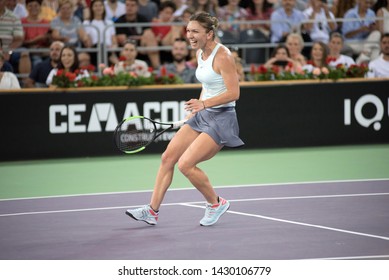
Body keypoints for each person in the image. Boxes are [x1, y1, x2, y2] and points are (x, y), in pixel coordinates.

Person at [125, 12, 244, 227]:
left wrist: (204, 104)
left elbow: (234, 93)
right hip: (203, 113)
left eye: (195, 31)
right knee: (168, 157)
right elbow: (208, 86)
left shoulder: (223, 56)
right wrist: (197, 108)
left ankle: (215, 204)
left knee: (186, 164)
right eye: (188, 30)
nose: (189, 35)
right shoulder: (200, 53)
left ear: (209, 34)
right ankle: (152, 211)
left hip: (222, 118)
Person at [115, 0, 160, 68]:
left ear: (137, 7)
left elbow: (148, 34)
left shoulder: (143, 19)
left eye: (132, 5)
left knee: (151, 40)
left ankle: (157, 69)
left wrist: (134, 38)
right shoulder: (119, 21)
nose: (129, 7)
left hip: (143, 47)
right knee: (128, 49)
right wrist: (140, 38)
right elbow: (122, 40)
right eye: (127, 5)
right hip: (127, 47)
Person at [342, 0, 381, 64]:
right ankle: (370, 65)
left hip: (366, 42)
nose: (368, 5)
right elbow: (346, 35)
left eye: (370, 3)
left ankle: (362, 60)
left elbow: (375, 30)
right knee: (375, 48)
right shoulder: (350, 14)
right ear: (359, 1)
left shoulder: (371, 13)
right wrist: (360, 30)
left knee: (377, 34)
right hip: (352, 43)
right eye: (366, 2)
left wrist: (372, 28)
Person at [83, 0, 117, 67]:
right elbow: (88, 42)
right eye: (96, 6)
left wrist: (113, 47)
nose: (98, 8)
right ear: (92, 8)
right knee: (100, 47)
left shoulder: (109, 23)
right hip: (94, 50)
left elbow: (114, 40)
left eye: (100, 5)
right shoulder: (87, 23)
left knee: (106, 50)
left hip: (108, 49)